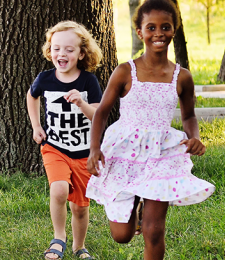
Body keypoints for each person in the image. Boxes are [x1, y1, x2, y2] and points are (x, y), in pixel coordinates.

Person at [86, 1, 215, 259]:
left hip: (162, 152)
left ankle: (149, 206)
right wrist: (94, 148)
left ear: (174, 31)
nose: (159, 33)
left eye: (165, 27)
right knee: (121, 236)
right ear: (139, 32)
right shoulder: (125, 71)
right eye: (151, 27)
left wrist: (195, 138)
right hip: (125, 149)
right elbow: (101, 112)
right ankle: (135, 202)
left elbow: (188, 115)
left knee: (154, 231)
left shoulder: (182, 77)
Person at [26, 21, 103, 260]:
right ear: (50, 51)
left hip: (83, 152)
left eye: (69, 50)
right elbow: (31, 96)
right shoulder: (45, 78)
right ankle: (58, 238)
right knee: (58, 190)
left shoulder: (88, 82)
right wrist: (36, 126)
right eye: (57, 48)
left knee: (80, 207)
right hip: (54, 148)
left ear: (81, 53)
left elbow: (98, 115)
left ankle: (79, 247)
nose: (62, 54)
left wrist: (81, 103)